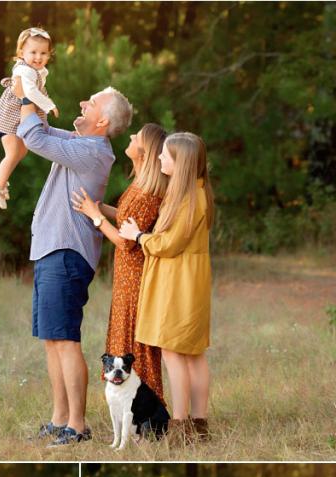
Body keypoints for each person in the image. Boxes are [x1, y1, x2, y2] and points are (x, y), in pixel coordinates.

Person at [13, 82, 133, 446]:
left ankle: (78, 426)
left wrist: (24, 95)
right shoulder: (82, 144)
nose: (83, 101)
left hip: (66, 253)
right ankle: (60, 418)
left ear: (103, 121)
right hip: (52, 250)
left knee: (66, 340)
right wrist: (32, 87)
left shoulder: (93, 152)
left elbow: (34, 138)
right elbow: (42, 129)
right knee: (52, 340)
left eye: (91, 102)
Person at [119, 132, 214, 440]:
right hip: (187, 278)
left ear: (182, 163)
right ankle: (199, 424)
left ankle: (182, 424)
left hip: (179, 282)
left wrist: (139, 236)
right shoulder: (195, 193)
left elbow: (170, 244)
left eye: (165, 156)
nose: (159, 157)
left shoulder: (188, 199)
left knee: (174, 351)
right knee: (193, 353)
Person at [70, 123, 169, 403]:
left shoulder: (148, 192)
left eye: (136, 136)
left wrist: (96, 216)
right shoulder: (139, 185)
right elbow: (128, 221)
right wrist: (101, 208)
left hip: (135, 276)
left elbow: (126, 242)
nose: (130, 137)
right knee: (126, 338)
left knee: (135, 343)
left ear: (145, 150)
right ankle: (134, 410)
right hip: (127, 275)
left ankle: (148, 411)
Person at [0, 27, 59, 209]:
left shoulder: (38, 70)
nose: (38, 57)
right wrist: (49, 106)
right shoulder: (25, 71)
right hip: (8, 119)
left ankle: (1, 176)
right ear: (21, 53)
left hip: (17, 116)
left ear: (49, 54)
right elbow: (31, 92)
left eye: (43, 53)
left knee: (22, 151)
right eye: (33, 52)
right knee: (12, 153)